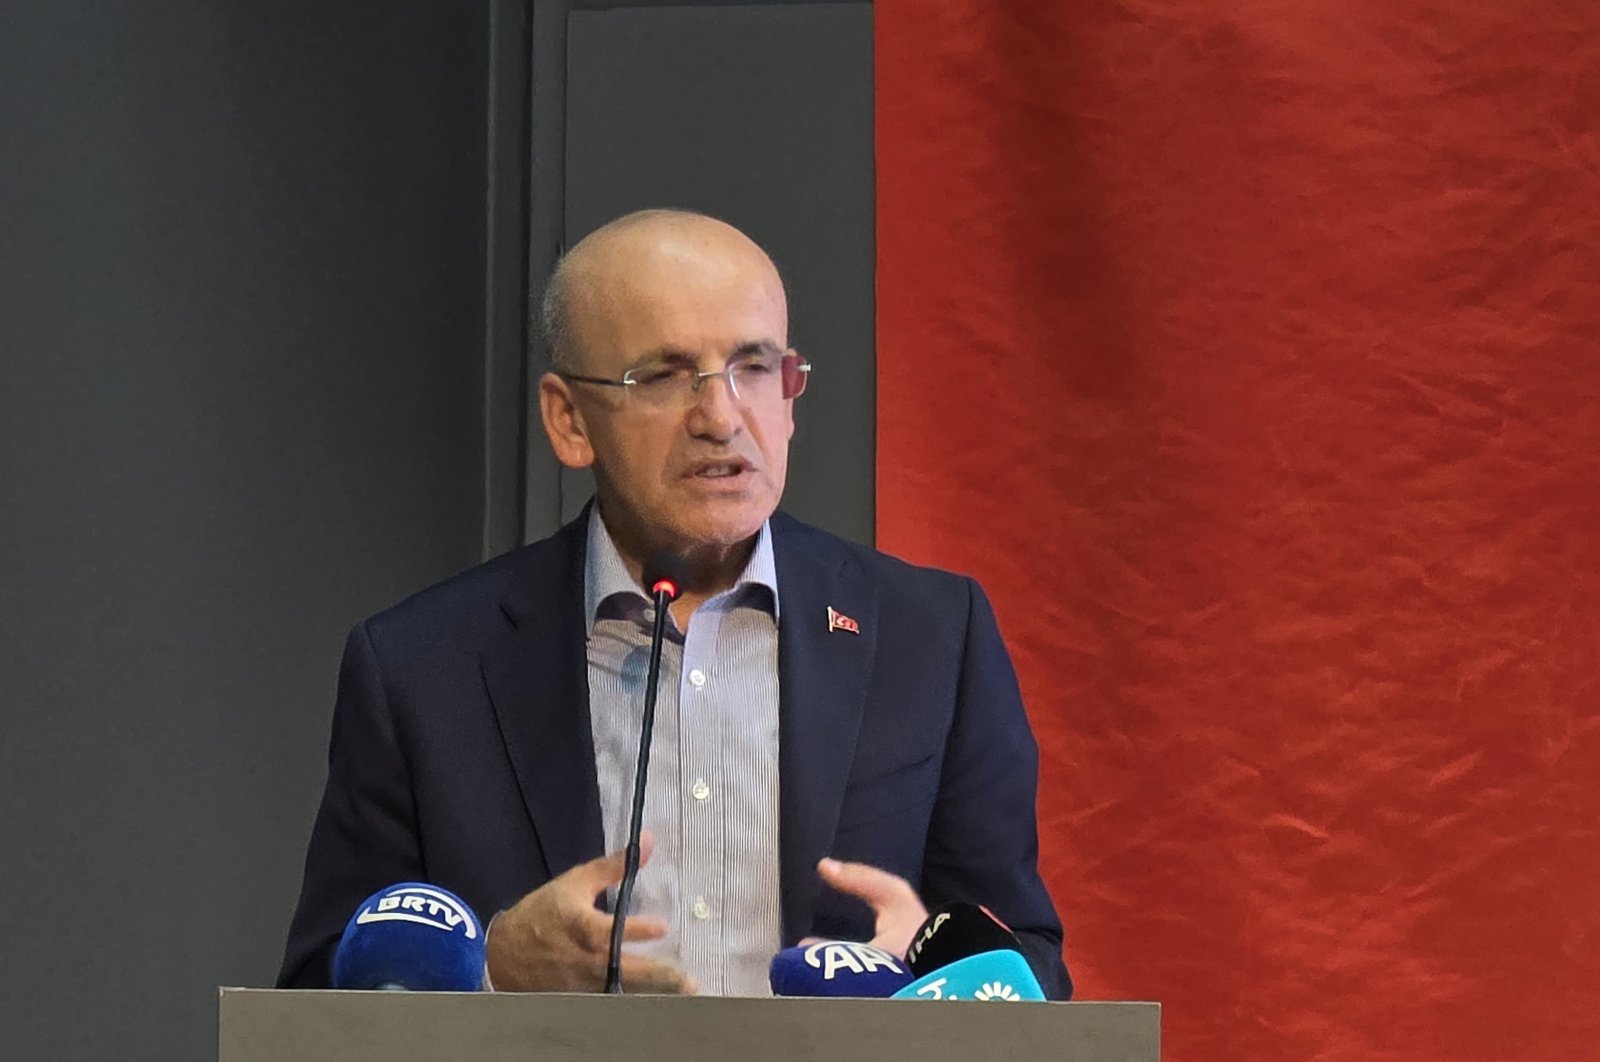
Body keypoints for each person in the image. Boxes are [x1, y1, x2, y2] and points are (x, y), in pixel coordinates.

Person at [277, 209, 1071, 998]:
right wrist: (491, 970)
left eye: (755, 368)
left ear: (791, 395)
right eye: (661, 376)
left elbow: (1030, 960)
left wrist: (942, 975)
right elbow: (322, 1001)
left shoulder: (931, 637)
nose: (722, 417)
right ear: (569, 420)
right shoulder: (420, 669)